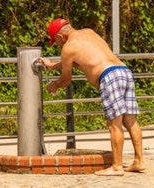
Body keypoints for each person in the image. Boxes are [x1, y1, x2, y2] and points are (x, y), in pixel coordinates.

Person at [40, 18, 145, 176]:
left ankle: (117, 167)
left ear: (60, 37)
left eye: (56, 42)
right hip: (123, 71)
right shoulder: (88, 32)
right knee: (130, 120)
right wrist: (51, 65)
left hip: (109, 76)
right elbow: (79, 61)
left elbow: (66, 79)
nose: (59, 45)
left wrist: (55, 84)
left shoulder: (68, 47)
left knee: (114, 123)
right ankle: (139, 161)